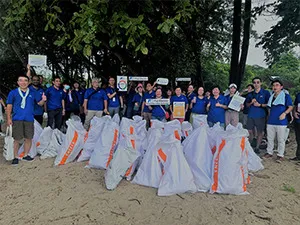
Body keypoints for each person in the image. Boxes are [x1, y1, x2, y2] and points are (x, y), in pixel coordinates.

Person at [6, 74, 47, 165]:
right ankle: (15, 156)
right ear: (18, 82)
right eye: (21, 80)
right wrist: (9, 118)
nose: (23, 82)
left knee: (29, 138)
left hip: (29, 119)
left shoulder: (32, 93)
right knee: (16, 139)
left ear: (28, 82)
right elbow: (9, 106)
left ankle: (26, 155)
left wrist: (43, 100)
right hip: (17, 119)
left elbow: (39, 104)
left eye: (25, 80)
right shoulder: (13, 93)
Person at [263, 80, 293, 162]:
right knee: (270, 138)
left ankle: (280, 154)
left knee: (281, 139)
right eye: (273, 85)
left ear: (281, 87)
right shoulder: (271, 96)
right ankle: (269, 152)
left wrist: (284, 113)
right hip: (271, 121)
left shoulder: (286, 96)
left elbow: (290, 107)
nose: (275, 87)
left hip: (281, 121)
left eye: (277, 85)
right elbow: (269, 108)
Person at [246, 77, 270, 154]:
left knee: (260, 132)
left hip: (261, 115)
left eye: (258, 82)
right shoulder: (250, 94)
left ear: (261, 83)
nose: (256, 84)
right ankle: (251, 143)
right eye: (254, 82)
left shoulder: (266, 93)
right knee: (249, 131)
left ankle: (257, 147)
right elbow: (246, 105)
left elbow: (269, 104)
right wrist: (251, 103)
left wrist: (260, 105)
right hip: (250, 115)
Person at [291, 91, 300, 161]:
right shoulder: (298, 95)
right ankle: (298, 156)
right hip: (298, 120)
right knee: (298, 138)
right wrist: (294, 113)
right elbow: (295, 105)